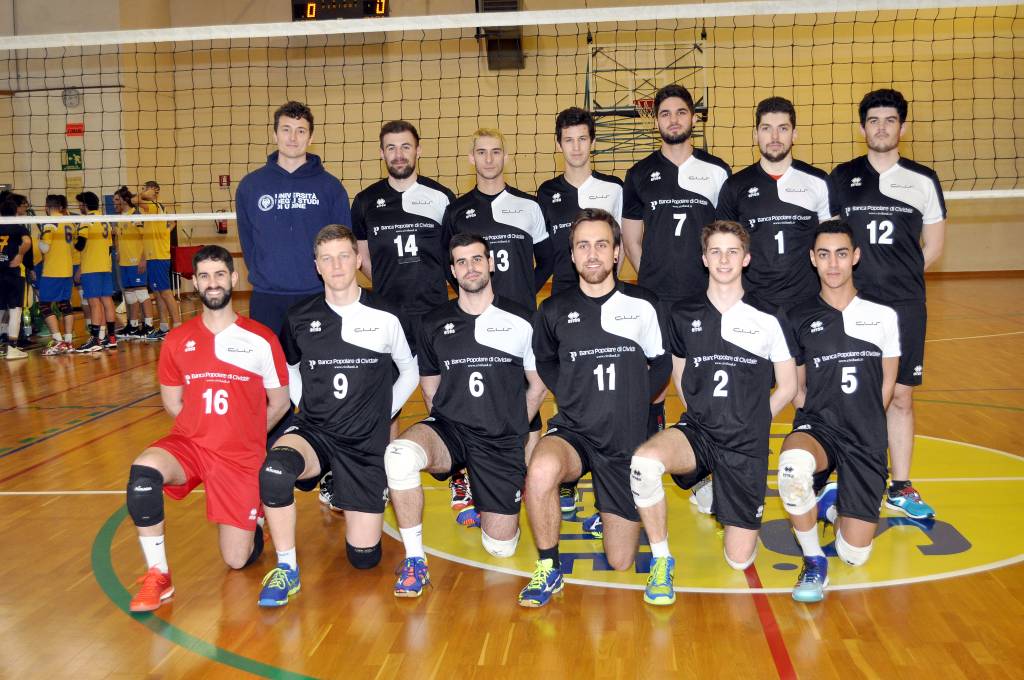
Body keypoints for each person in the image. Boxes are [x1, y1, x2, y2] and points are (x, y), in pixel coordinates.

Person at [628, 220, 797, 606]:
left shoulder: (769, 315)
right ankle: (662, 560)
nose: (724, 259)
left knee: (738, 561)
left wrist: (753, 422)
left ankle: (722, 493)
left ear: (746, 258)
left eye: (732, 251)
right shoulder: (683, 313)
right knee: (644, 463)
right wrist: (702, 413)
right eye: (716, 251)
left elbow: (787, 386)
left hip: (746, 443)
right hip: (700, 431)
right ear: (704, 258)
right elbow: (680, 373)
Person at [255, 225, 418, 607]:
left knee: (364, 558)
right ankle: (286, 567)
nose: (337, 265)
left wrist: (383, 413)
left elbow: (410, 369)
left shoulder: (387, 313)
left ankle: (349, 484)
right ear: (317, 266)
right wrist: (305, 404)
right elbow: (289, 368)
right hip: (316, 430)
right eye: (327, 259)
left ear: (358, 260)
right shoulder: (300, 316)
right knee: (275, 470)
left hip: (364, 440)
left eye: (344, 256)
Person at [124, 245, 290, 612]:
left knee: (237, 560)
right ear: (195, 283)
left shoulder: (262, 339)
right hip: (192, 445)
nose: (212, 283)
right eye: (204, 276)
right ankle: (158, 575)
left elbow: (280, 403)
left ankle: (254, 519)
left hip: (238, 457)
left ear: (234, 278)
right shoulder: (177, 340)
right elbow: (173, 403)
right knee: (143, 473)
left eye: (219, 275)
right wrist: (204, 430)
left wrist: (244, 435)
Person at [519, 208, 669, 608]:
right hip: (575, 432)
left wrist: (636, 400)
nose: (592, 254)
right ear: (572, 255)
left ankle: (607, 511)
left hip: (625, 441)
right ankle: (548, 566)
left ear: (617, 251)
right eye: (583, 246)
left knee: (620, 561)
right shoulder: (553, 309)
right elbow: (545, 359)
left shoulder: (644, 304)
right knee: (541, 469)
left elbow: (662, 363)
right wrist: (570, 393)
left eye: (602, 245)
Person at [385, 233, 545, 598]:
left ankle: (482, 485)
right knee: (398, 455)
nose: (470, 267)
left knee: (501, 548)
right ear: (453, 271)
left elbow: (537, 387)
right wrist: (448, 438)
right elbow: (430, 389)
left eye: (476, 259)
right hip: (451, 430)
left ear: (491, 263)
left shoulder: (523, 318)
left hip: (499, 439)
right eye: (461, 262)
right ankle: (415, 560)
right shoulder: (434, 322)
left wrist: (511, 429)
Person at [830, 89, 946, 519]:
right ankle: (845, 475)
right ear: (862, 128)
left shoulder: (922, 179)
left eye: (890, 120)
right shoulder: (842, 177)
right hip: (852, 305)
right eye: (874, 120)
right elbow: (830, 242)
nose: (881, 127)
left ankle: (900, 485)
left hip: (904, 306)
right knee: (849, 391)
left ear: (903, 127)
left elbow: (933, 247)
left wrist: (900, 277)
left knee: (900, 396)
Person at [777, 219, 900, 603]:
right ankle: (813, 560)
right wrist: (815, 419)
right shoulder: (797, 316)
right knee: (793, 466)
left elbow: (887, 385)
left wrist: (863, 424)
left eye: (841, 254)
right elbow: (797, 388)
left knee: (854, 554)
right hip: (820, 428)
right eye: (825, 255)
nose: (833, 264)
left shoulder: (883, 315)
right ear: (813, 259)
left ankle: (830, 506)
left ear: (855, 257)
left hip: (865, 434)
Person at [443, 127, 552, 521]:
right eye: (481, 152)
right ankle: (465, 478)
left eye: (495, 152)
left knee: (526, 395)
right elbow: (448, 264)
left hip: (519, 321)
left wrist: (522, 294)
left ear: (506, 157)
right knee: (470, 400)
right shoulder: (457, 210)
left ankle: (523, 478)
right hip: (472, 322)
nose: (488, 159)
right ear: (471, 158)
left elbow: (548, 259)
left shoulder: (528, 206)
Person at [537, 106, 625, 518]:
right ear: (559, 144)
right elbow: (542, 253)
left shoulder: (613, 188)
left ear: (592, 143)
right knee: (569, 388)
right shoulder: (546, 193)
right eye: (568, 140)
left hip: (606, 301)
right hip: (563, 304)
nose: (575, 147)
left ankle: (610, 483)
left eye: (582, 139)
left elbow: (621, 246)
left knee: (608, 391)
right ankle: (569, 481)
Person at [236, 100, 351, 337]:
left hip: (317, 295)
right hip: (267, 298)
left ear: (310, 138)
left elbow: (343, 243)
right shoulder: (250, 186)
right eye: (286, 129)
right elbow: (248, 241)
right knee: (269, 361)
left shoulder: (330, 187)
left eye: (301, 131)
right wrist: (267, 274)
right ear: (274, 134)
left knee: (316, 362)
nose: (293, 137)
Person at [717, 96, 838, 309]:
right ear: (755, 134)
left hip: (808, 303)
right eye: (766, 128)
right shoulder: (734, 186)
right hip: (752, 304)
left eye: (783, 128)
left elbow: (834, 244)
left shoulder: (819, 180)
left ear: (794, 134)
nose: (774, 137)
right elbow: (724, 248)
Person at [73, 191, 117, 352]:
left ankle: (95, 339)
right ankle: (111, 338)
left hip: (91, 267)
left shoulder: (86, 220)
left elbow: (80, 245)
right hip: (106, 266)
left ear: (84, 205)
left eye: (79, 204)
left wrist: (72, 240)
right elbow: (111, 246)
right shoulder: (105, 220)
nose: (79, 207)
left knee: (94, 303)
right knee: (107, 301)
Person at [113, 186, 157, 340]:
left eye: (117, 200)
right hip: (124, 262)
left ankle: (149, 326)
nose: (114, 203)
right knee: (130, 295)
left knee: (141, 293)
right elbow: (118, 237)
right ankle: (132, 326)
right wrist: (118, 251)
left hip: (136, 261)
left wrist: (143, 259)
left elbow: (145, 238)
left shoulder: (136, 215)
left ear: (125, 200)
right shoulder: (119, 218)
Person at [139, 181, 181, 339]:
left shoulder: (153, 206)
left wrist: (145, 194)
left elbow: (135, 199)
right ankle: (164, 327)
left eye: (145, 188)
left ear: (154, 191)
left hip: (158, 256)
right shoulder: (158, 208)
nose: (143, 191)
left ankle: (177, 328)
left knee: (166, 292)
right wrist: (164, 233)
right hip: (154, 255)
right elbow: (172, 223)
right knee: (158, 293)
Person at [38, 195, 78, 355]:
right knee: (65, 304)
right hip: (67, 269)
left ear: (47, 206)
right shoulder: (70, 222)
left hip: (52, 271)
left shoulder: (49, 223)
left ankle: (58, 341)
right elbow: (74, 249)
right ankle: (68, 341)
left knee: (44, 305)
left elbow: (45, 248)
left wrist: (39, 239)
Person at [0, 198, 30, 359]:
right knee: (15, 309)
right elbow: (27, 242)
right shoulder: (18, 228)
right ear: (15, 211)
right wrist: (20, 254)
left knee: (1, 309)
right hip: (13, 273)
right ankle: (12, 348)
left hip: (0, 271)